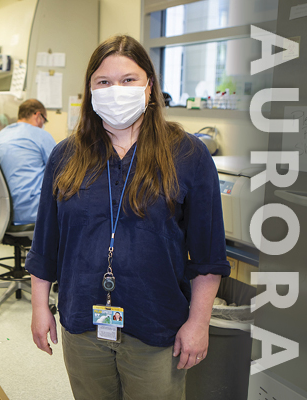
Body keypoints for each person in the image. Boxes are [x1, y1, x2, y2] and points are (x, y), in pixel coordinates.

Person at [26, 35, 230, 399]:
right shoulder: (65, 156)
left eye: (128, 80)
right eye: (103, 82)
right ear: (90, 91)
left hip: (156, 324)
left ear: (149, 86)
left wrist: (199, 323)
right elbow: (45, 244)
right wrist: (40, 308)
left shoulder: (187, 155)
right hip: (82, 321)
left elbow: (208, 254)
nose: (116, 91)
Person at [0, 99, 56, 225]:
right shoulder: (41, 135)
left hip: (0, 212)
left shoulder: (0, 135)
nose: (43, 124)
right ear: (38, 116)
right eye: (44, 120)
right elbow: (60, 170)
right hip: (32, 212)